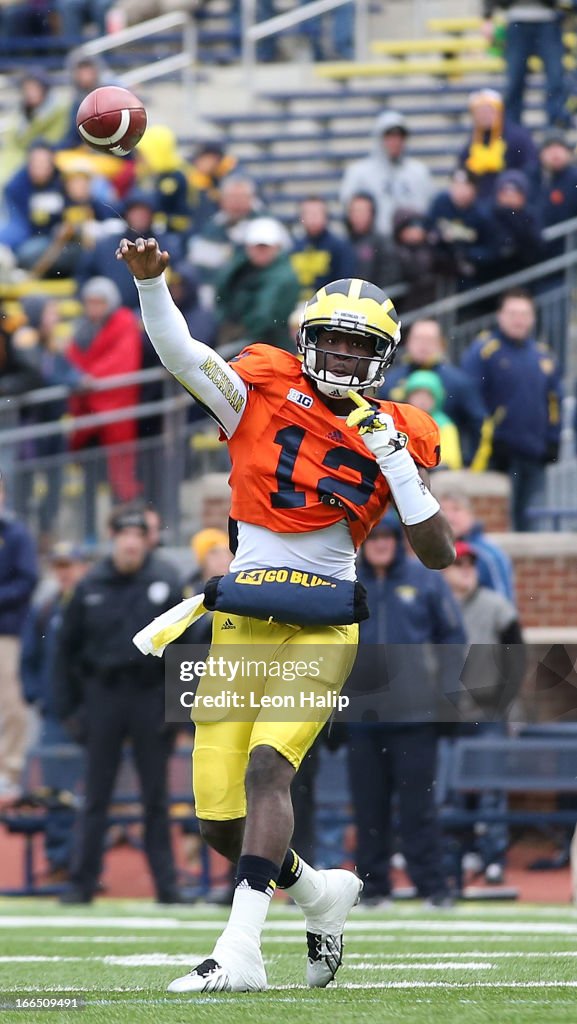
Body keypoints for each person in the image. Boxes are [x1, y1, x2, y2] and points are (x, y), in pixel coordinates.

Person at [116, 233, 455, 993]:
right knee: (215, 819)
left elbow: (437, 553)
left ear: (382, 357)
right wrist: (152, 284)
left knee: (271, 769)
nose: (337, 356)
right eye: (329, 341)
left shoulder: (398, 428)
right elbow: (184, 355)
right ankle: (316, 891)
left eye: (354, 346)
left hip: (324, 621)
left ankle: (238, 951)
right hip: (243, 615)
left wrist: (395, 460)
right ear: (306, 341)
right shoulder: (262, 388)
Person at [55, 507, 184, 903]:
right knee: (96, 795)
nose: (130, 542)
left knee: (156, 798)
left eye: (137, 534)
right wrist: (69, 711)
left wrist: (176, 708)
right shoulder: (90, 584)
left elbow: (182, 648)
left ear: (147, 539)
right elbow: (65, 652)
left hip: (150, 695)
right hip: (103, 695)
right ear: (112, 537)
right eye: (123, 534)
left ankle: (167, 887)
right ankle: (81, 882)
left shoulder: (166, 580)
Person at [347, 513, 466, 906]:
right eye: (374, 536)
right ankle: (373, 888)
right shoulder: (347, 583)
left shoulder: (426, 581)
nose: (380, 542)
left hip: (416, 716)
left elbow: (453, 640)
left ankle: (433, 887)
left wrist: (450, 699)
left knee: (419, 809)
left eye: (388, 536)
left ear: (400, 540)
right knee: (368, 810)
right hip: (363, 718)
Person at [443, 539, 526, 884]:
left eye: (469, 565)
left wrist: (503, 701)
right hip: (447, 715)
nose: (465, 571)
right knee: (451, 789)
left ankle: (493, 858)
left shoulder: (496, 606)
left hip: (488, 712)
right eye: (458, 564)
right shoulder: (439, 606)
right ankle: (459, 856)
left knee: (491, 790)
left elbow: (516, 657)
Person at [461, 288, 562, 531]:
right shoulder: (484, 351)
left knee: (532, 524)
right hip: (496, 455)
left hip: (534, 455)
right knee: (496, 524)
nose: (519, 319)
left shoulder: (543, 356)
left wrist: (553, 440)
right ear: (500, 316)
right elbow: (471, 399)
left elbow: (554, 401)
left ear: (533, 318)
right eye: (513, 313)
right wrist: (488, 439)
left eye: (525, 313)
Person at [20, 542, 90, 881]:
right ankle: (60, 859)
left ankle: (88, 862)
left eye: (70, 564)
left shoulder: (92, 604)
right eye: (59, 565)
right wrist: (39, 696)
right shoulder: (45, 609)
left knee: (94, 791)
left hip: (90, 714)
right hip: (56, 716)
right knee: (56, 792)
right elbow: (29, 658)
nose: (64, 571)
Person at [67, 277, 143, 535]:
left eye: (98, 302)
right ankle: (90, 533)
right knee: (90, 479)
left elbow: (122, 361)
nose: (93, 308)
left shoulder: (122, 322)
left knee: (119, 478)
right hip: (88, 415)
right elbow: (71, 361)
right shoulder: (83, 329)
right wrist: (79, 380)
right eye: (89, 302)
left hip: (113, 410)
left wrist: (90, 379)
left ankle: (122, 532)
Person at [381, 318, 486, 466]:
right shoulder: (390, 381)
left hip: (447, 468)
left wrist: (469, 461)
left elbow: (478, 423)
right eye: (418, 339)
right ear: (408, 342)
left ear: (441, 344)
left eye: (430, 340)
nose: (423, 345)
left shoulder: (459, 383)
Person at [0, 476, 38, 800]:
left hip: (5, 632)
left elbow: (27, 581)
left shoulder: (15, 535)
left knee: (10, 703)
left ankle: (8, 770)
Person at [340, 111, 433, 238]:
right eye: (389, 136)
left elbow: (427, 209)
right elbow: (350, 212)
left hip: (411, 245)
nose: (395, 141)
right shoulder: (358, 173)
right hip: (374, 245)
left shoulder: (419, 172)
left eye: (399, 136)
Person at [214, 216, 300, 354]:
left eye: (265, 247)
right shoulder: (241, 269)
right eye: (256, 246)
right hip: (244, 336)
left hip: (271, 344)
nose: (260, 251)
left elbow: (265, 318)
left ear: (277, 247)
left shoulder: (283, 277)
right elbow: (222, 297)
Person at [482, 0, 569, 128]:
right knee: (514, 81)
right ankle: (513, 129)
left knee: (555, 79)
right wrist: (487, 17)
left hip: (548, 20)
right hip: (516, 21)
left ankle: (556, 126)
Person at [458, 89, 539, 199]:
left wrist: (513, 185)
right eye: (480, 112)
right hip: (482, 202)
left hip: (514, 200)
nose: (484, 115)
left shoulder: (518, 137)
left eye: (489, 110)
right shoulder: (473, 142)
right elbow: (462, 172)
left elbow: (531, 168)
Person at [439, 491, 515, 602]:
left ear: (470, 514)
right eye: (443, 511)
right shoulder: (434, 551)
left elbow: (503, 605)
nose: (449, 517)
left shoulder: (490, 556)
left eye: (456, 509)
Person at [427, 168, 494, 289]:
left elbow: (491, 250)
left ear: (474, 189)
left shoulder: (483, 214)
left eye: (465, 186)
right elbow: (429, 230)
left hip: (472, 275)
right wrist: (439, 237)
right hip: (442, 270)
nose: (459, 191)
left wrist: (466, 253)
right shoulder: (440, 203)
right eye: (456, 185)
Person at [291, 197, 355, 301]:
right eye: (308, 213)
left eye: (317, 213)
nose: (313, 218)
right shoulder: (294, 247)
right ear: (301, 217)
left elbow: (344, 285)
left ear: (326, 216)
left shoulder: (340, 247)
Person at [402, 370, 463, 471]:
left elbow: (451, 460)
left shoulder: (444, 425)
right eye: (417, 395)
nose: (422, 400)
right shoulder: (400, 421)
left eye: (428, 395)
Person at [343, 193, 392, 289]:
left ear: (372, 213)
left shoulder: (382, 243)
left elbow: (389, 275)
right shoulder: (343, 244)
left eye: (362, 211)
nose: (358, 215)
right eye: (355, 211)